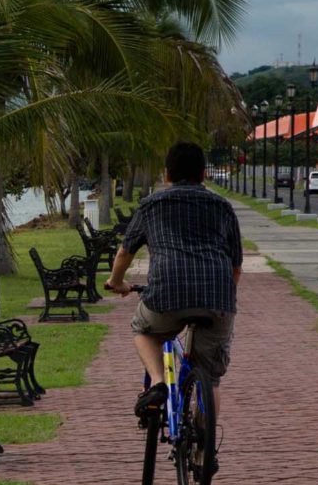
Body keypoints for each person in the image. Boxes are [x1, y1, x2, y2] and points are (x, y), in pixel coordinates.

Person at [104, 141, 243, 421]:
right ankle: (205, 452)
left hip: (167, 292)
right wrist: (221, 297)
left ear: (166, 174)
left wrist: (116, 282)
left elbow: (125, 252)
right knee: (211, 380)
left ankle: (157, 383)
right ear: (204, 174)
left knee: (143, 329)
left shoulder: (152, 205)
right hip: (217, 297)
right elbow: (235, 265)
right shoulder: (222, 207)